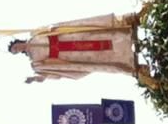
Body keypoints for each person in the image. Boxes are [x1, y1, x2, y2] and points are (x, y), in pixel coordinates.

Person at [8, 13, 136, 82]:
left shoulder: (35, 34)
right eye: (15, 51)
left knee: (97, 37)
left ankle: (126, 33)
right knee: (100, 56)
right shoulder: (34, 62)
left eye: (16, 46)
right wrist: (35, 78)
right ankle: (127, 58)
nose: (18, 49)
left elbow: (51, 29)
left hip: (70, 38)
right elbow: (48, 74)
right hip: (70, 55)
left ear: (18, 42)